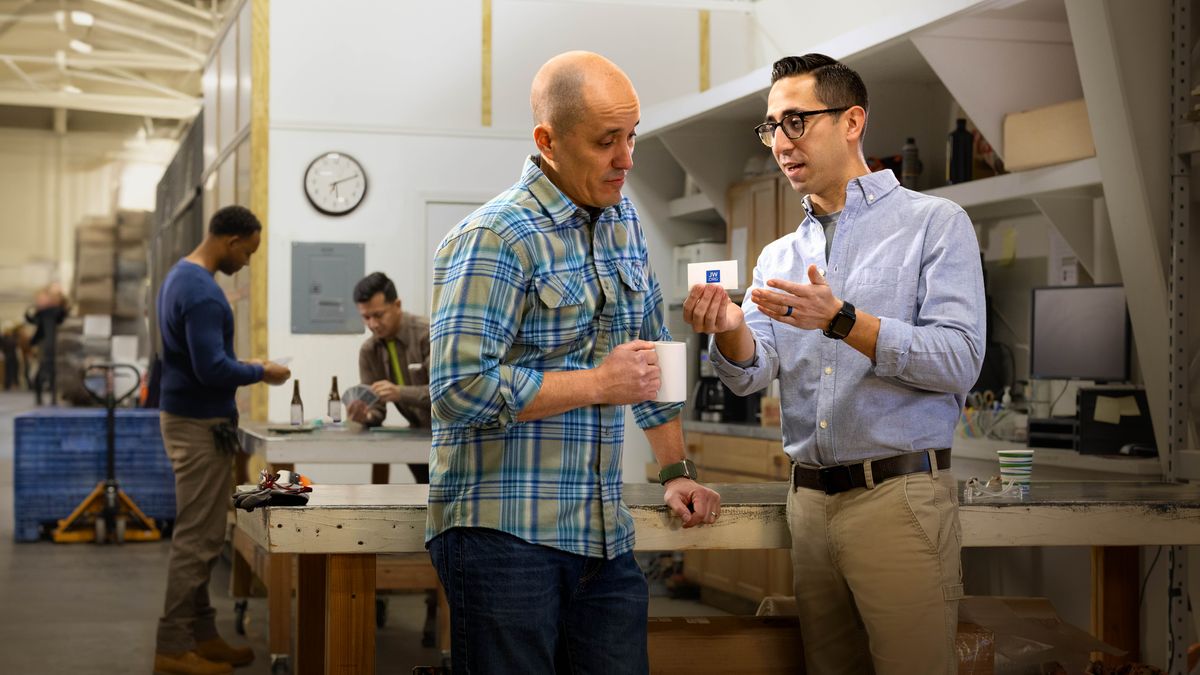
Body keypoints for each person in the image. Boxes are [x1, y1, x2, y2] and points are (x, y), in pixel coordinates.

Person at [684, 53, 985, 674]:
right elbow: (749, 373)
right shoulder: (778, 255)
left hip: (897, 499)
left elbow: (959, 360)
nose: (780, 143)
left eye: (796, 121)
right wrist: (733, 328)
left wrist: (842, 321)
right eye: (771, 127)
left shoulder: (935, 225)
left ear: (852, 122)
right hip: (810, 505)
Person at [426, 51, 722, 674]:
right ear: (548, 141)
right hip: (504, 536)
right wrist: (596, 383)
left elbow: (651, 357)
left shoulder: (623, 225)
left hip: (602, 537)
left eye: (632, 136)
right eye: (606, 140)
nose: (627, 158)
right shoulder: (497, 236)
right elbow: (458, 389)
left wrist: (676, 469)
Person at [154, 205, 291, 675]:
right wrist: (262, 370)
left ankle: (203, 633)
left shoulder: (178, 276)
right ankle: (172, 647)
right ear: (232, 240)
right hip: (198, 427)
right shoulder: (204, 295)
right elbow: (210, 368)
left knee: (198, 530)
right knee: (199, 538)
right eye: (249, 252)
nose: (248, 261)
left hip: (184, 419)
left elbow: (195, 359)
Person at [347, 271, 431, 484]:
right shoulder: (368, 350)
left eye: (378, 315)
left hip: (451, 440)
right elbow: (377, 411)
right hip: (416, 442)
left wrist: (399, 393)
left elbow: (447, 395)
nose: (373, 324)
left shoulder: (428, 335)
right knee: (423, 500)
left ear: (397, 305)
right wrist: (364, 415)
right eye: (366, 317)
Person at [25, 283, 68, 405]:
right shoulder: (43, 313)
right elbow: (31, 319)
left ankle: (52, 398)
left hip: (53, 344)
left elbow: (64, 313)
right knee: (43, 373)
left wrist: (60, 298)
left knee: (51, 372)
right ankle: (41, 398)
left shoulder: (56, 312)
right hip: (45, 344)